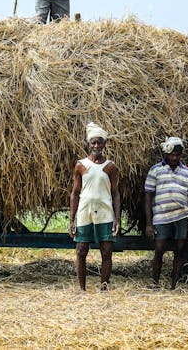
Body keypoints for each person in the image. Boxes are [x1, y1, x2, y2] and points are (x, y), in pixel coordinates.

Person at [69, 121, 121, 291]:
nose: (96, 146)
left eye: (100, 142)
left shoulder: (110, 167)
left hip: (105, 213)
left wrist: (117, 218)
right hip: (85, 212)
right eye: (93, 143)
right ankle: (82, 289)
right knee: (81, 250)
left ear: (105, 144)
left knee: (106, 251)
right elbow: (75, 193)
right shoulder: (81, 165)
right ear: (88, 144)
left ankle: (103, 288)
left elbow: (115, 193)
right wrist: (72, 220)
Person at [143, 137, 188, 290]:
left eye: (177, 155)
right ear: (166, 154)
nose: (174, 158)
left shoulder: (187, 172)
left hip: (182, 215)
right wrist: (149, 224)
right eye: (172, 155)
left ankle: (174, 285)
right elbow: (148, 197)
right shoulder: (155, 170)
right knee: (159, 248)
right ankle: (155, 283)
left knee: (179, 250)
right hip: (161, 215)